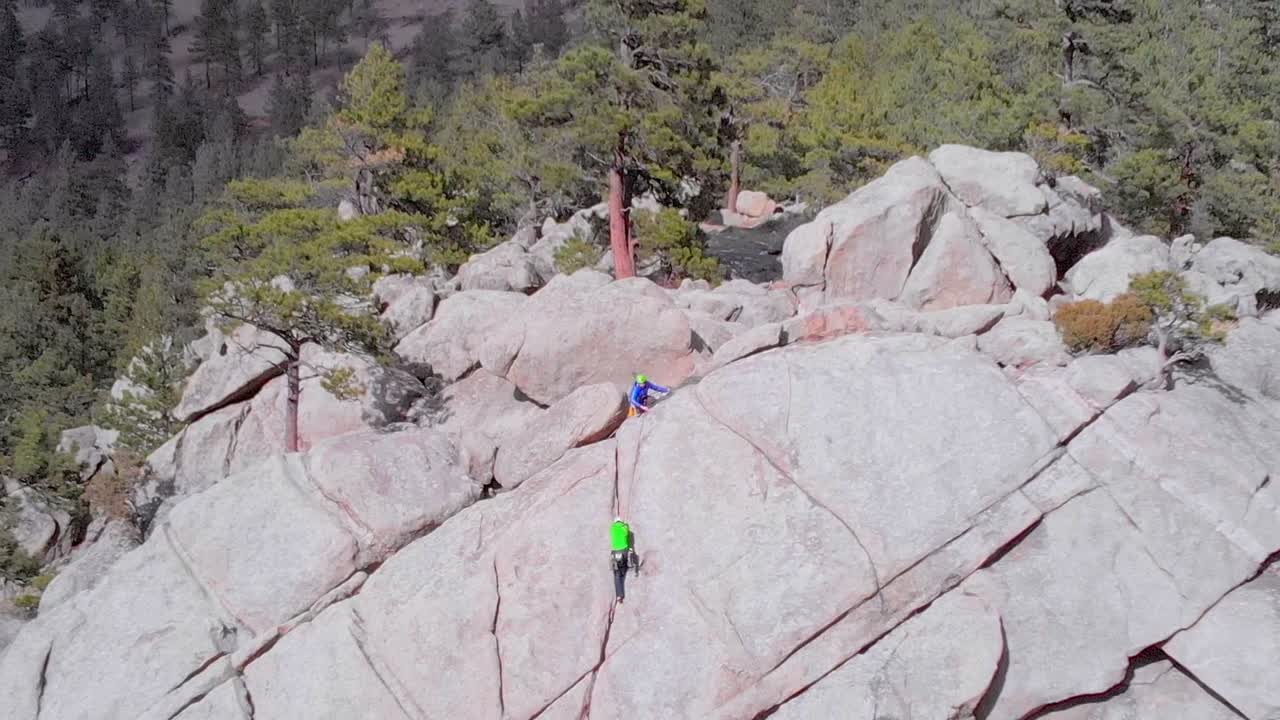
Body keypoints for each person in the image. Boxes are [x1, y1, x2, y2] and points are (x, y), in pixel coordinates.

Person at [610, 516, 638, 603]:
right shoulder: (624, 527)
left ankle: (619, 595)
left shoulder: (612, 528)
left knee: (616, 574)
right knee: (624, 567)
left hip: (615, 552)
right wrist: (625, 524)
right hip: (624, 551)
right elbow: (627, 532)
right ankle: (626, 567)